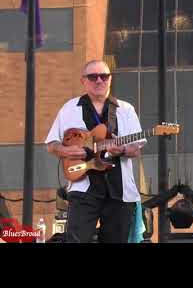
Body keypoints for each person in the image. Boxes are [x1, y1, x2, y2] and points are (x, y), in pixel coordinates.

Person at [45, 60, 145, 243]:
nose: (99, 80)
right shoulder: (69, 108)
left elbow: (135, 149)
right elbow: (51, 144)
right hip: (83, 187)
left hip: (120, 191)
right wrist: (67, 152)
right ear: (83, 81)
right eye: (93, 77)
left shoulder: (126, 109)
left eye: (104, 76)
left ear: (110, 79)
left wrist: (120, 149)